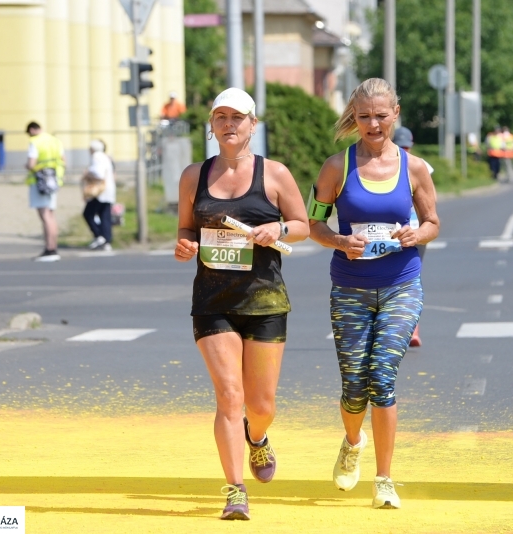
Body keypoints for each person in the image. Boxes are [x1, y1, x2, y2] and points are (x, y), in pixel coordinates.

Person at [174, 87, 308, 520]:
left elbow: (304, 225)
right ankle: (235, 490)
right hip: (212, 302)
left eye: (238, 117)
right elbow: (186, 230)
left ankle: (258, 437)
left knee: (260, 405)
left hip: (265, 299)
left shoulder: (275, 174)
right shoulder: (194, 175)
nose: (229, 124)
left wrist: (279, 230)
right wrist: (184, 245)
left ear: (253, 125)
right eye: (221, 117)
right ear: (212, 126)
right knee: (229, 396)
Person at [309, 78, 439, 509]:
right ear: (354, 116)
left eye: (381, 116)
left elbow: (433, 223)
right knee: (354, 385)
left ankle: (385, 478)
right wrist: (340, 241)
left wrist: (414, 233)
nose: (373, 124)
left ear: (395, 114)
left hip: (402, 282)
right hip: (350, 288)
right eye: (364, 116)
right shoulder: (336, 167)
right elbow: (314, 225)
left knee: (382, 377)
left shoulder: (414, 167)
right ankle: (351, 442)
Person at [392, 126, 434, 347]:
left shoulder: (387, 165)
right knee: (410, 280)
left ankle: (406, 329)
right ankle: (411, 329)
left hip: (404, 233)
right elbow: (432, 200)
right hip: (416, 231)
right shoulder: (422, 165)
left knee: (397, 281)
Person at [25, 121, 65, 262]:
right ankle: (53, 247)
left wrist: (28, 166)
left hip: (40, 180)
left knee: (45, 215)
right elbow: (63, 159)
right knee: (51, 215)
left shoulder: (35, 141)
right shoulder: (55, 140)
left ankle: (49, 249)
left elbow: (31, 163)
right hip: (54, 179)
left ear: (32, 130)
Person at [83, 139, 116, 251]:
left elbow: (99, 173)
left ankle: (99, 235)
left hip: (99, 191)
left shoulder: (96, 156)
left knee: (88, 213)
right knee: (105, 216)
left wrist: (88, 174)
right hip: (109, 190)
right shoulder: (106, 157)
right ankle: (106, 240)